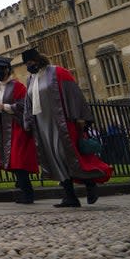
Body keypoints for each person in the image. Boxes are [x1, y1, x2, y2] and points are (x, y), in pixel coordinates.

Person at [21, 48, 112, 207]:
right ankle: (70, 196)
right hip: (42, 126)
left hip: (61, 123)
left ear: (38, 59)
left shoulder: (58, 72)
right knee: (54, 159)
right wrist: (28, 122)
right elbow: (28, 104)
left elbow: (74, 93)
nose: (29, 66)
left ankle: (90, 184)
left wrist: (80, 117)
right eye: (26, 64)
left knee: (66, 155)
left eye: (30, 62)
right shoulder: (31, 79)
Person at [0, 56, 38, 204]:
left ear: (7, 70)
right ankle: (24, 191)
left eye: (0, 69)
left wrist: (5, 107)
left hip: (16, 127)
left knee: (18, 161)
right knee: (11, 162)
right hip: (2, 128)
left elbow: (24, 105)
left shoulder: (18, 86)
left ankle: (28, 193)